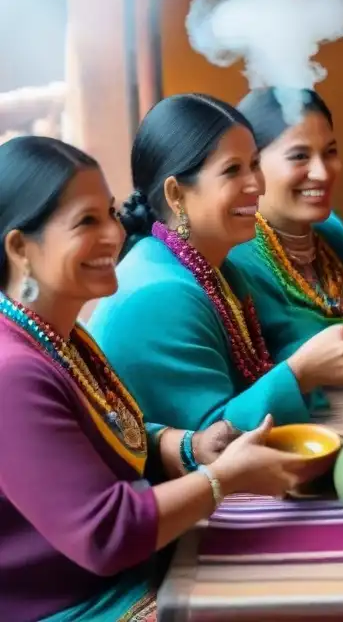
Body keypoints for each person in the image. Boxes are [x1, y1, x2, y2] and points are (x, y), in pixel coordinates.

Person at [0, 136, 308, 622]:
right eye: (86, 222)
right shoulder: (11, 373)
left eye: (109, 213)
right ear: (20, 247)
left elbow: (101, 432)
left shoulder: (56, 334)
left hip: (128, 572)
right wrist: (222, 479)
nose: (114, 234)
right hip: (79, 605)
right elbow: (105, 534)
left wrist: (184, 446)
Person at [88, 94, 343, 432]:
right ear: (176, 194)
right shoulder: (161, 294)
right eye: (232, 170)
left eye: (254, 164)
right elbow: (212, 440)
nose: (256, 184)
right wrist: (300, 373)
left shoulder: (216, 268)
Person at [229, 88, 343, 402]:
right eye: (300, 156)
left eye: (330, 151)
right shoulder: (236, 254)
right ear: (252, 165)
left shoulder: (328, 230)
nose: (322, 172)